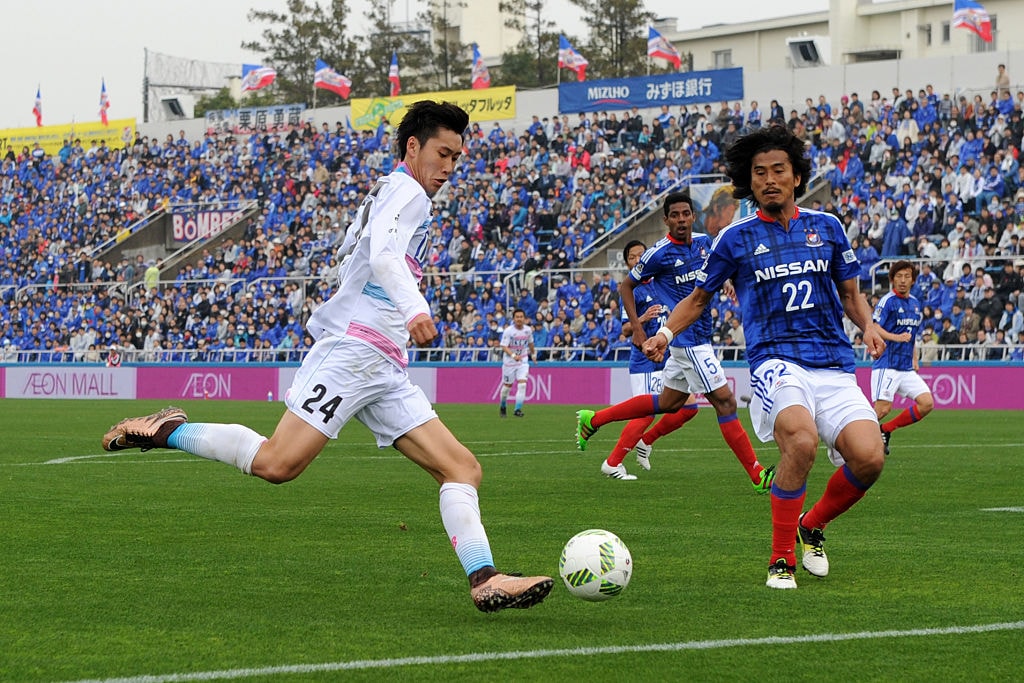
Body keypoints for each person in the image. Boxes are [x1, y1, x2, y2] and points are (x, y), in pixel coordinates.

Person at [101, 100, 552, 613]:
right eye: (443, 154)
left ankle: (485, 579)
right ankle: (166, 430)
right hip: (355, 349)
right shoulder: (407, 191)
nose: (450, 168)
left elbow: (365, 257)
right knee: (277, 463)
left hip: (382, 363)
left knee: (462, 470)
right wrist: (414, 308)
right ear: (413, 146)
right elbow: (382, 255)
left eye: (457, 157)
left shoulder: (390, 189)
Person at [641, 124, 886, 589]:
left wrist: (869, 324)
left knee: (870, 458)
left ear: (797, 177)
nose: (770, 179)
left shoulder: (827, 227)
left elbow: (851, 294)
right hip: (777, 362)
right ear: (748, 183)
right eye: (759, 173)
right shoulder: (734, 238)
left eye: (779, 170)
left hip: (833, 365)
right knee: (801, 441)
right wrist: (665, 334)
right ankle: (781, 559)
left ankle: (811, 525)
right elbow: (697, 299)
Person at [577, 192, 775, 493]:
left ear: (693, 216)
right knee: (725, 402)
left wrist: (728, 280)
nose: (681, 219)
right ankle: (757, 474)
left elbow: (716, 269)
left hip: (696, 336)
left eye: (686, 214)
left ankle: (594, 420)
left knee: (669, 403)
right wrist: (640, 332)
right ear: (666, 219)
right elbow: (626, 286)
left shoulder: (704, 243)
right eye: (675, 215)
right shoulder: (658, 254)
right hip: (688, 338)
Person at [598, 239, 675, 481]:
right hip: (645, 359)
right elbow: (625, 330)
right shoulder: (632, 290)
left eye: (642, 254)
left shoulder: (662, 283)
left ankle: (646, 441)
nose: (638, 259)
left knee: (689, 406)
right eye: (633, 257)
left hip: (668, 355)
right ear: (627, 262)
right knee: (646, 413)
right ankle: (613, 462)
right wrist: (642, 318)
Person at [871, 260, 934, 454]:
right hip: (887, 364)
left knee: (926, 403)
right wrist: (896, 337)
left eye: (907, 276)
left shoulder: (915, 304)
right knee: (881, 410)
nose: (903, 280)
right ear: (892, 279)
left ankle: (886, 430)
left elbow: (911, 335)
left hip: (905, 367)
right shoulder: (887, 301)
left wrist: (915, 358)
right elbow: (874, 327)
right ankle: (851, 440)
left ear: (913, 280)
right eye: (899, 276)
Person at [498, 308, 535, 417]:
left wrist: (533, 355)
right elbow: (504, 346)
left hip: (523, 360)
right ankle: (503, 406)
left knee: (522, 384)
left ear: (524, 318)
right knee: (507, 388)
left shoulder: (528, 330)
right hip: (509, 362)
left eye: (521, 317)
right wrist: (513, 355)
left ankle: (517, 409)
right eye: (517, 317)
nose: (519, 319)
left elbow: (531, 343)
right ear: (514, 319)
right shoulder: (509, 331)